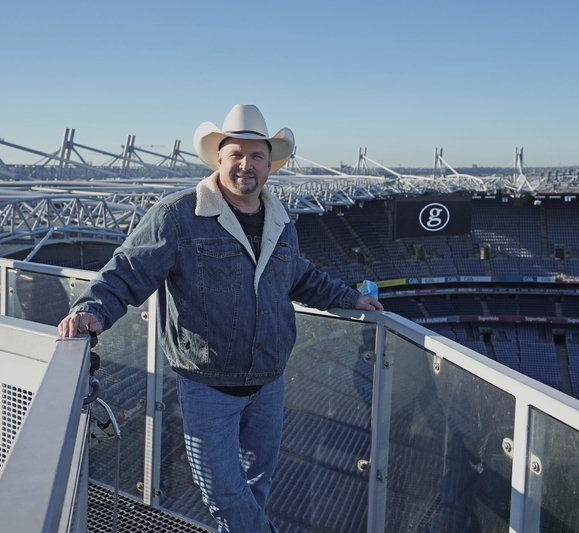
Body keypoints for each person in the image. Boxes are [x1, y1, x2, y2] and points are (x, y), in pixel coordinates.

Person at [59, 104, 382, 532]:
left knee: (257, 485)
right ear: (219, 159)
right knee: (225, 495)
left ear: (270, 164)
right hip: (208, 387)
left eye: (257, 156)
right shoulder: (178, 216)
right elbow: (129, 270)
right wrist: (92, 309)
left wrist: (349, 298)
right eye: (237, 155)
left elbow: (299, 275)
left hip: (268, 381)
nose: (247, 165)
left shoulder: (281, 222)